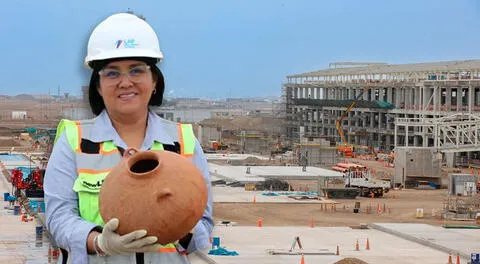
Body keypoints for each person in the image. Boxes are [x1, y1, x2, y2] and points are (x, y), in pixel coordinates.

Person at [44, 13, 213, 264]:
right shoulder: (74, 140)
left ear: (154, 81)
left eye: (137, 70)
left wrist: (180, 226)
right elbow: (58, 218)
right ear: (98, 86)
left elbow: (204, 226)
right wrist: (99, 241)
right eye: (112, 73)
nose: (126, 82)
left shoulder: (182, 142)